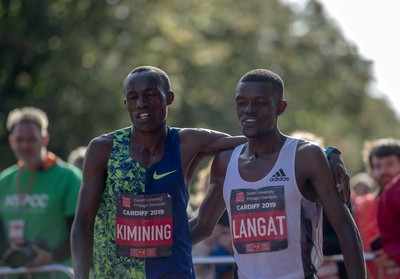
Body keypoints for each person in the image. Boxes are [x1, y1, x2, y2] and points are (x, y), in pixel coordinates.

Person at [70, 66, 350, 279]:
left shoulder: (188, 142)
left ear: (169, 98)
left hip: (173, 273)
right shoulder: (103, 149)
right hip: (115, 273)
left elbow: (260, 139)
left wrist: (328, 154)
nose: (142, 103)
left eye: (150, 95)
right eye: (134, 97)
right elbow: (82, 222)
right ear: (126, 103)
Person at [191, 69, 366, 278]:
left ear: (280, 107)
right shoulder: (225, 162)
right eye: (241, 102)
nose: (248, 110)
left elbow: (347, 231)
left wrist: (332, 154)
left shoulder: (305, 157)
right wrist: (149, 248)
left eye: (260, 103)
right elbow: (202, 226)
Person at [0, 107, 82, 278]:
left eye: (31, 139)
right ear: (11, 141)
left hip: (56, 273)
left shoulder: (69, 178)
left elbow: (82, 229)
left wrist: (53, 256)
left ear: (44, 139)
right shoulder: (4, 181)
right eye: (19, 139)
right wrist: (6, 252)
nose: (25, 145)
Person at [355, 138, 400, 278]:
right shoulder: (365, 205)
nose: (384, 171)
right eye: (378, 166)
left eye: (390, 164)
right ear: (371, 171)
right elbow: (373, 245)